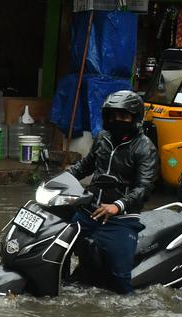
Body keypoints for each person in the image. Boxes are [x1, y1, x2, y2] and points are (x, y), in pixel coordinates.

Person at [66, 90, 158, 295]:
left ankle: (127, 313)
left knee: (120, 276)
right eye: (113, 115)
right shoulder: (102, 139)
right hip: (89, 210)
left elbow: (144, 187)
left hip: (121, 219)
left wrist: (117, 206)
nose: (118, 120)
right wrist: (58, 180)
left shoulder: (145, 148)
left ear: (135, 118)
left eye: (124, 116)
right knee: (59, 247)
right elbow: (84, 166)